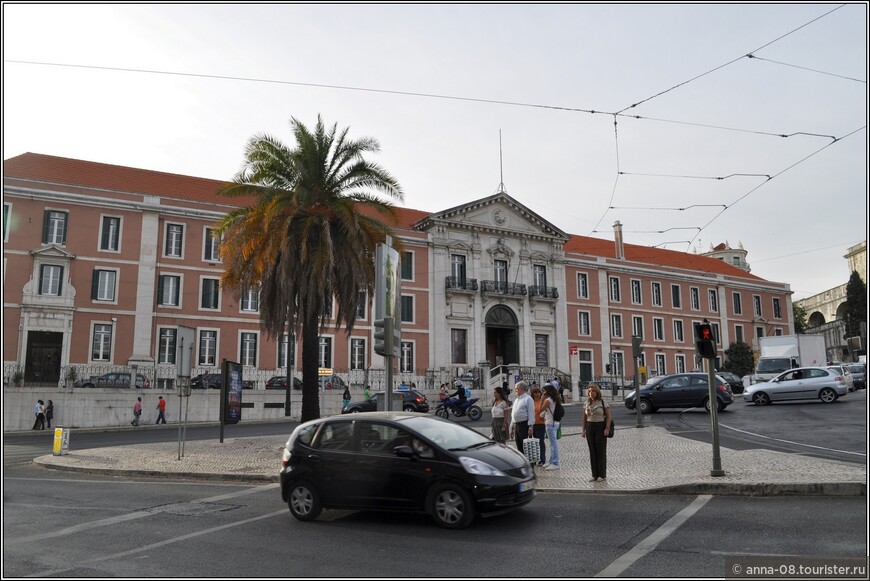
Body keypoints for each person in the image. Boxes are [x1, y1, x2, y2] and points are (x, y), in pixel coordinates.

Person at [581, 383, 612, 482]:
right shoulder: (587, 403)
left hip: (600, 426)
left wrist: (607, 428)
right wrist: (583, 430)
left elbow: (609, 416)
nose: (591, 393)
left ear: (597, 392)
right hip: (590, 427)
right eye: (589, 391)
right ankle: (594, 474)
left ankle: (601, 475)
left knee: (600, 451)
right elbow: (584, 417)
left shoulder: (602, 402)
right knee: (592, 451)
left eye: (593, 391)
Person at [508, 381, 535, 452]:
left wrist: (530, 427)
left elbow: (531, 413)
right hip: (516, 425)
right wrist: (511, 427)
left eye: (517, 388)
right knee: (519, 446)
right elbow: (513, 415)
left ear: (522, 388)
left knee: (526, 447)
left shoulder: (528, 399)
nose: (515, 390)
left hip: (524, 425)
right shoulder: (516, 400)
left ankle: (529, 462)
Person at [541, 384, 560, 470]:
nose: (543, 392)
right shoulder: (555, 399)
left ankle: (555, 462)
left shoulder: (548, 400)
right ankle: (551, 461)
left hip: (550, 423)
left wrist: (542, 399)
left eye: (544, 391)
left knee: (553, 444)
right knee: (552, 444)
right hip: (554, 422)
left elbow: (541, 409)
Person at [530, 385, 547, 467]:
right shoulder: (531, 402)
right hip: (532, 425)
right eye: (534, 392)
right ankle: (533, 459)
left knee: (540, 442)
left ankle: (542, 460)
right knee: (533, 443)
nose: (536, 394)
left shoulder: (542, 401)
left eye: (538, 392)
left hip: (541, 424)